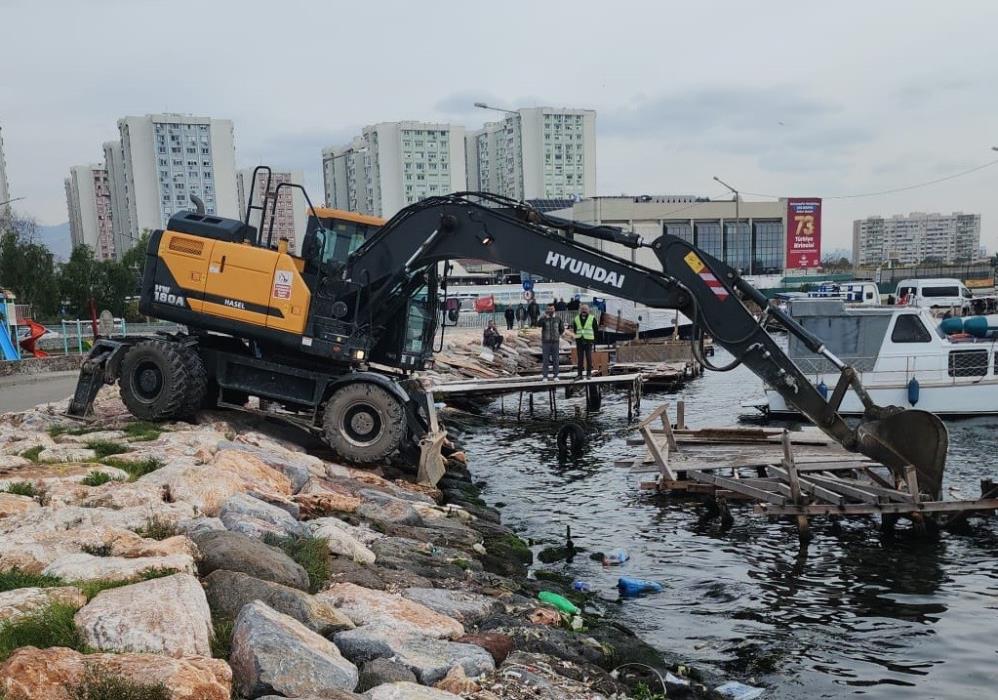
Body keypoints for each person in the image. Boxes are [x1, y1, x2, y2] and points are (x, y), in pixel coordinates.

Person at [538, 304, 564, 381]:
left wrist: (557, 335)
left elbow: (561, 329)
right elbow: (538, 324)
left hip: (555, 342)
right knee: (545, 360)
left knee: (556, 360)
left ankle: (556, 376)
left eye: (551, 309)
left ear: (554, 309)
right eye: (549, 309)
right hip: (546, 342)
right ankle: (545, 376)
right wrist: (543, 317)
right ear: (547, 310)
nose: (550, 310)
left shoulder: (558, 318)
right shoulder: (544, 318)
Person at [572, 303, 598, 378]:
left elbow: (596, 330)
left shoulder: (592, 318)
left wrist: (594, 340)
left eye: (585, 309)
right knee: (580, 359)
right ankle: (579, 374)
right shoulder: (576, 318)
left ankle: (588, 374)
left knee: (589, 358)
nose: (584, 310)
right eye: (582, 309)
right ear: (580, 310)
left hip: (588, 340)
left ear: (588, 310)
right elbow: (575, 329)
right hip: (579, 340)